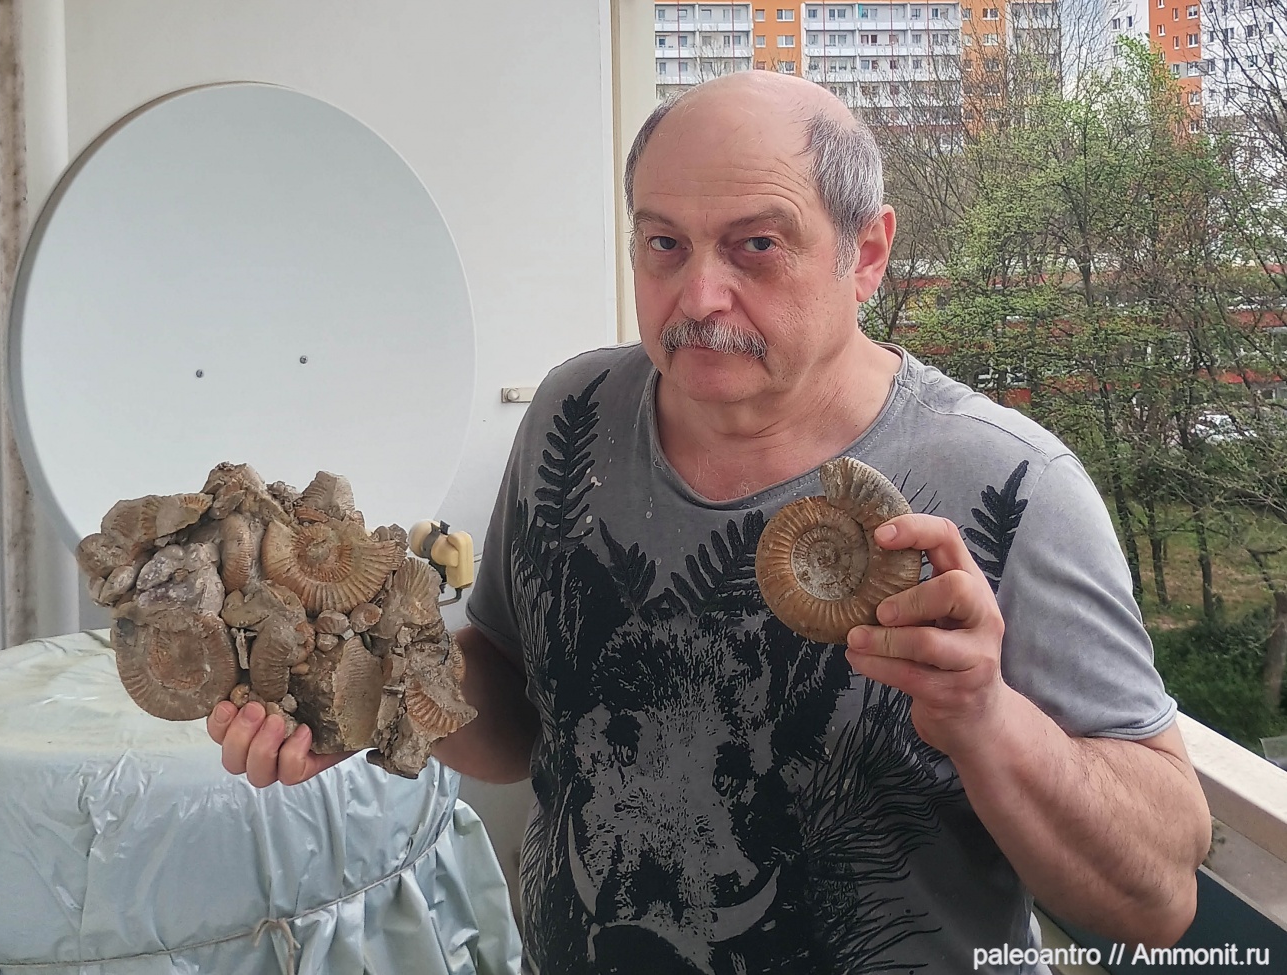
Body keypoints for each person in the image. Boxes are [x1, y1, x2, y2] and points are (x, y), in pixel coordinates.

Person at [209, 72, 1211, 973]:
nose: (698, 295)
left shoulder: (1007, 483)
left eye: (756, 246)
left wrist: (987, 718)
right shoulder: (573, 417)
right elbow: (520, 706)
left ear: (866, 253)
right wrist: (378, 689)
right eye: (663, 244)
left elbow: (1156, 901)